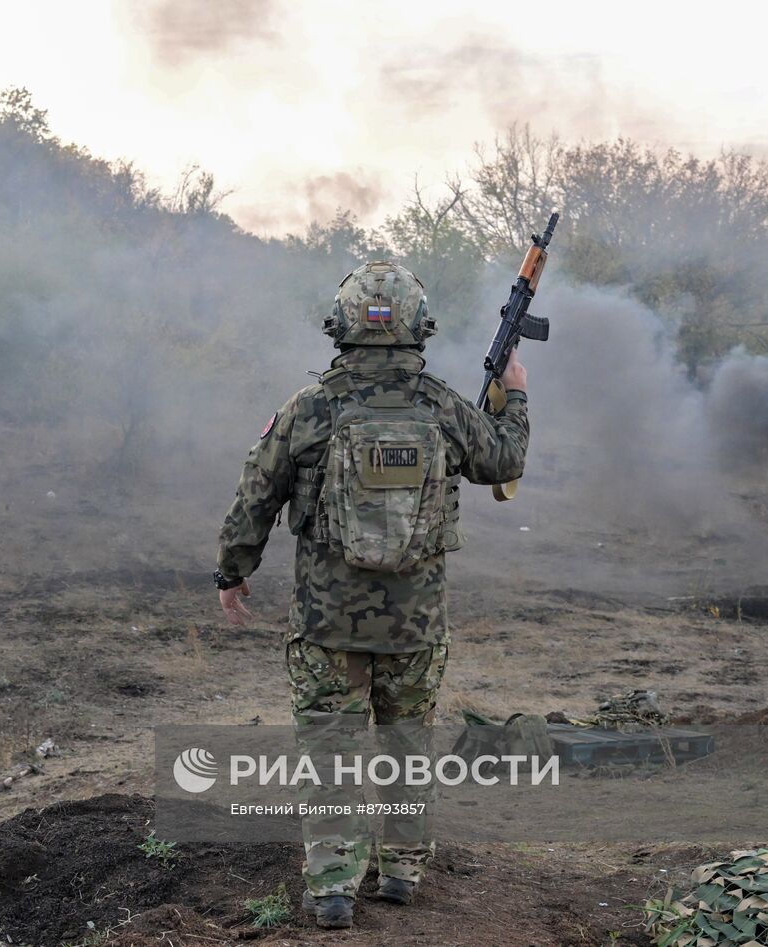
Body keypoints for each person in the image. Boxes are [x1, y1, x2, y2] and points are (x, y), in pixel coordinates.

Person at [214, 261, 531, 929]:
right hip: (415, 627)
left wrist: (232, 572)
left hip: (327, 626)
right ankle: (402, 872)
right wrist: (516, 392)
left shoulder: (310, 408)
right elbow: (504, 461)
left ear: (340, 326)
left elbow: (256, 493)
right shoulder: (441, 406)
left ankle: (332, 886)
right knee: (407, 744)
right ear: (418, 326)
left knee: (329, 753)